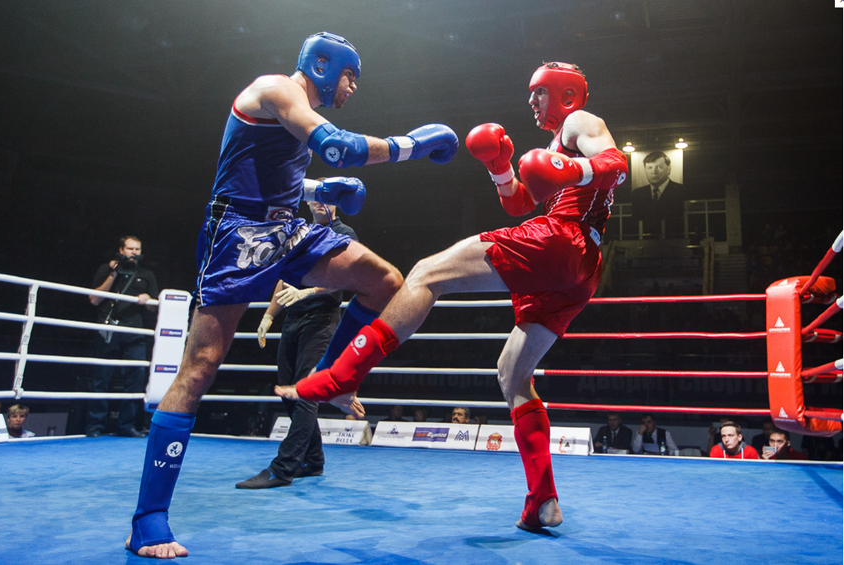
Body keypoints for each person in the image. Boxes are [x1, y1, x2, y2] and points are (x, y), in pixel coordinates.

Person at [126, 32, 457, 558]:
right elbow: (337, 147)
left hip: (286, 228)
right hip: (237, 232)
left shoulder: (291, 107)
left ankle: (331, 379)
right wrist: (411, 146)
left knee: (386, 281)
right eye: (349, 76)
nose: (352, 87)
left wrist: (318, 190)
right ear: (324, 65)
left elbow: (268, 166)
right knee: (200, 367)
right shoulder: (277, 89)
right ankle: (148, 520)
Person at [277, 61, 629, 532]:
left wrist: (572, 166)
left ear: (565, 93)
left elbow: (617, 166)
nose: (531, 101)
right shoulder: (554, 141)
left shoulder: (581, 122)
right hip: (580, 271)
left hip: (561, 240)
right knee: (512, 374)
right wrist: (499, 167)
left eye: (539, 92)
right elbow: (521, 202)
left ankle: (343, 374)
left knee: (425, 273)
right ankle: (543, 501)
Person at [236, 200, 358, 490]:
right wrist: (268, 316)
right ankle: (313, 460)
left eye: (324, 195)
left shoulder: (344, 233)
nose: (317, 201)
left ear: (336, 201)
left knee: (305, 392)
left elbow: (348, 275)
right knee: (285, 389)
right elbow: (284, 276)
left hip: (322, 319)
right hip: (293, 318)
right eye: (314, 195)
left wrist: (309, 292)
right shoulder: (301, 232)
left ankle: (283, 468)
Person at [87, 235, 159, 438]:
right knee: (101, 378)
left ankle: (127, 425)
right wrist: (113, 274)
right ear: (121, 250)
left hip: (134, 332)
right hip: (107, 329)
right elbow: (94, 299)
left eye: (137, 249)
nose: (134, 253)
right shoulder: (106, 269)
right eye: (130, 249)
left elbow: (155, 307)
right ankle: (95, 426)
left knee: (136, 378)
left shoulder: (147, 274)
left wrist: (148, 299)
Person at [630, 151, 684, 238]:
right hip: (645, 241)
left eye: (659, 167)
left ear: (669, 169)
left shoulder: (681, 191)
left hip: (674, 240)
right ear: (645, 170)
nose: (654, 172)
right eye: (649, 167)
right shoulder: (638, 194)